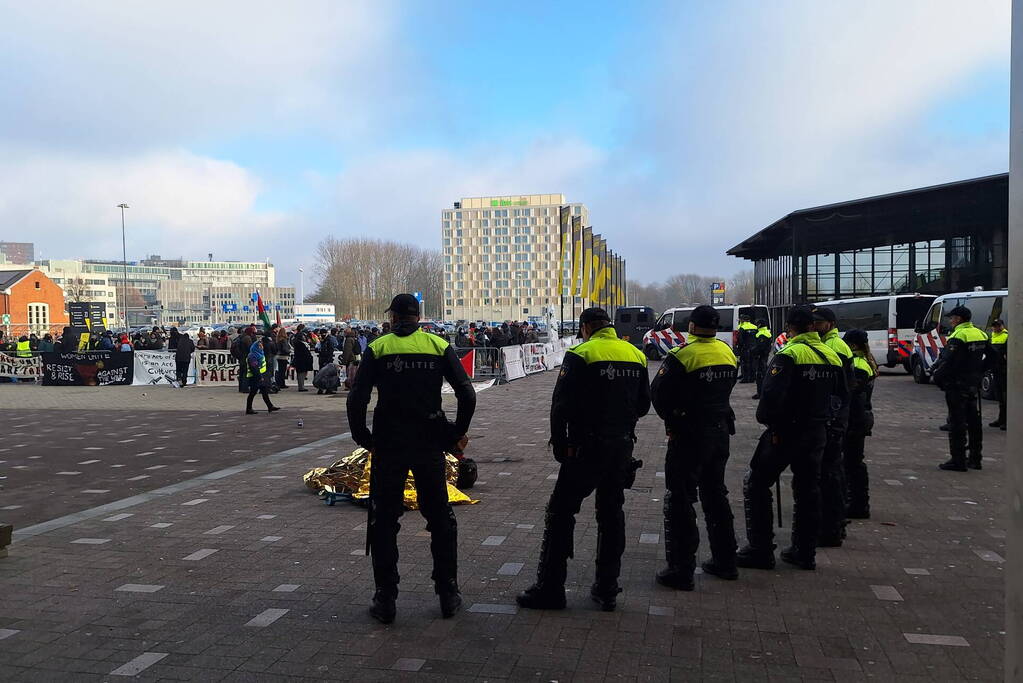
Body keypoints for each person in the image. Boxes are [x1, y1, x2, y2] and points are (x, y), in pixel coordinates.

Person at [347, 293, 476, 624]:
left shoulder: (379, 347)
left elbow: (358, 397)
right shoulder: (437, 345)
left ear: (393, 317)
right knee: (441, 518)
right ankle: (448, 593)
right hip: (429, 441)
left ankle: (386, 598)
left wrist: (363, 437)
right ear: (418, 317)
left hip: (389, 442)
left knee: (384, 521)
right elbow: (466, 393)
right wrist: (455, 433)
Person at [517, 307, 650, 612]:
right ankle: (607, 588)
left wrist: (560, 445)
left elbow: (560, 405)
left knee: (561, 513)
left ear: (586, 327)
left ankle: (551, 588)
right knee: (612, 514)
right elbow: (644, 405)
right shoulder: (636, 354)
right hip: (621, 447)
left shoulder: (581, 353)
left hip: (585, 448)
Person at [737, 305, 844, 571]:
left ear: (790, 327)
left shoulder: (789, 354)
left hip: (786, 432)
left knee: (756, 483)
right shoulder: (832, 355)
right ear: (812, 327)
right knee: (808, 489)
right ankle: (804, 552)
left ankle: (761, 549)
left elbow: (771, 395)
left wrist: (768, 422)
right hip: (818, 431)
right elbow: (842, 395)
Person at [650, 305, 738, 590]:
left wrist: (673, 420)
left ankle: (681, 568)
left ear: (691, 327)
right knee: (716, 494)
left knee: (681, 498)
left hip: (689, 434)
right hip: (720, 431)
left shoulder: (683, 355)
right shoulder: (727, 351)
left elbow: (658, 394)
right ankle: (726, 560)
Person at [812, 306, 854, 548]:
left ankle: (832, 527)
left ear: (830, 323)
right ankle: (835, 522)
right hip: (836, 417)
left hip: (834, 418)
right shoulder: (831, 343)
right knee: (833, 471)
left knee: (829, 474)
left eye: (819, 322)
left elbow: (840, 388)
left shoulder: (834, 347)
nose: (815, 326)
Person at [931, 306, 988, 471]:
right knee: (974, 423)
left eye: (952, 318)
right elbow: (993, 356)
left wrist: (938, 378)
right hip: (972, 384)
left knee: (957, 423)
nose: (950, 321)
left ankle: (958, 460)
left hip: (956, 384)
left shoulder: (958, 335)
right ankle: (975, 459)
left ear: (958, 319)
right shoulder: (981, 334)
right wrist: (979, 371)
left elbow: (947, 361)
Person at [842, 329, 876, 519]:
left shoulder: (858, 366)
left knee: (852, 463)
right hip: (861, 417)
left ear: (853, 345)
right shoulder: (865, 361)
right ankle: (857, 502)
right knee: (853, 462)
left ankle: (857, 504)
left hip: (855, 419)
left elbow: (852, 394)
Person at [245, 339, 280, 415]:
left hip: (260, 375)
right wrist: (259, 376)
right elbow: (254, 368)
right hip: (255, 377)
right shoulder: (252, 356)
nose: (262, 347)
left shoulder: (260, 354)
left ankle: (270, 406)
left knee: (264, 391)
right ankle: (249, 409)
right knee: (253, 393)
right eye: (260, 346)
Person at [988, 319, 1008, 431]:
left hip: (1004, 371)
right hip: (996, 370)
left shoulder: (1006, 336)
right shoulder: (992, 336)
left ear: (1002, 326)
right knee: (999, 397)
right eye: (994, 326)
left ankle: (1006, 421)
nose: (996, 328)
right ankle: (1001, 419)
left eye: (998, 326)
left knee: (1005, 397)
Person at [752, 319, 772, 399]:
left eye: (757, 324)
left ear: (759, 325)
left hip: (760, 357)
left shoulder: (761, 334)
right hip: (765, 356)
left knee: (760, 375)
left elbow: (760, 347)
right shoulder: (767, 332)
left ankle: (760, 393)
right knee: (763, 374)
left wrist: (753, 351)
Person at [231, 326, 256, 393]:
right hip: (246, 357)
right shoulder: (247, 338)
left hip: (241, 357)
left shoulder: (241, 337)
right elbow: (250, 348)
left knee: (242, 373)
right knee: (246, 373)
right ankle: (245, 388)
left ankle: (241, 388)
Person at [737, 314, 758, 384]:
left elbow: (740, 339)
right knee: (753, 363)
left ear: (743, 320)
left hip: (745, 348)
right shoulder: (755, 327)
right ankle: (753, 377)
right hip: (754, 347)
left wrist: (740, 348)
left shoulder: (742, 327)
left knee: (745, 363)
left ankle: (746, 378)